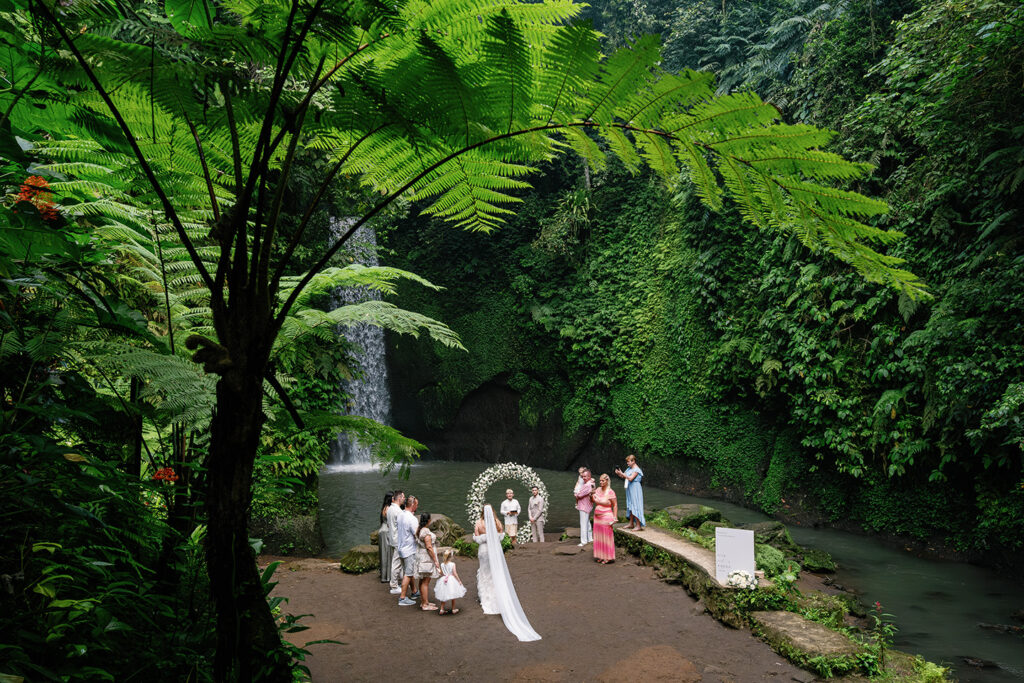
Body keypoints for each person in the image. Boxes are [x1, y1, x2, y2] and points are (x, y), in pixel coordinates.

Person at [473, 504, 541, 641]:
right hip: (495, 552)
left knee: (485, 574)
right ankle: (498, 597)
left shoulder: (479, 523)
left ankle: (485, 598)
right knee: (495, 574)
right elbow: (501, 536)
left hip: (484, 551)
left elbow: (476, 538)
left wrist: (483, 538)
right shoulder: (497, 522)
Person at [396, 495, 420, 606]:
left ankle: (414, 591)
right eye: (417, 504)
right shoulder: (412, 518)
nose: (417, 506)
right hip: (409, 549)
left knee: (407, 572)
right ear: (413, 505)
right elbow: (417, 534)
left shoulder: (400, 514)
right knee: (408, 573)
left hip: (401, 547)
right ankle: (402, 597)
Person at [415, 512, 441, 611]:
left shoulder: (419, 529)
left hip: (422, 557)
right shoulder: (426, 532)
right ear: (429, 521)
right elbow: (429, 547)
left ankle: (424, 602)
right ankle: (425, 604)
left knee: (423, 580)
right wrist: (435, 561)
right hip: (426, 558)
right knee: (425, 581)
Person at [591, 473, 618, 564]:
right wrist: (591, 495)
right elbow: (592, 500)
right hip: (597, 517)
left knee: (606, 536)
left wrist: (614, 517)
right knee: (599, 536)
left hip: (606, 516)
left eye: (603, 480)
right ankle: (601, 556)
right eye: (600, 480)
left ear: (607, 481)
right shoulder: (597, 490)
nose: (601, 482)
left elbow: (615, 505)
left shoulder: (611, 492)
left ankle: (608, 557)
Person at [614, 454, 646, 530]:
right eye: (627, 462)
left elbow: (630, 478)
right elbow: (624, 476)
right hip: (630, 488)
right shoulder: (629, 468)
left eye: (628, 462)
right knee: (630, 505)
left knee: (636, 505)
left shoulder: (636, 470)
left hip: (635, 488)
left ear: (633, 461)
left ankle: (638, 525)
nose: (627, 463)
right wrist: (619, 473)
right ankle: (631, 523)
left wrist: (622, 474)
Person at [434, 548, 466, 615]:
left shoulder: (442, 564)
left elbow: (441, 573)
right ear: (451, 557)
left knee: (444, 594)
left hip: (444, 580)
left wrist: (438, 569)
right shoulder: (452, 564)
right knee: (453, 594)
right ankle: (453, 609)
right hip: (451, 580)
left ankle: (442, 609)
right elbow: (455, 573)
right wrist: (459, 581)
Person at [386, 490, 406, 594]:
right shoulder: (397, 511)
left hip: (393, 538)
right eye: (403, 497)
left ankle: (400, 582)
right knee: (397, 562)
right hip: (398, 539)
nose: (404, 499)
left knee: (398, 562)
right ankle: (394, 586)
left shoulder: (390, 509)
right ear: (399, 498)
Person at [574, 468, 595, 546]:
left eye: (585, 476)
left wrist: (576, 494)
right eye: (583, 476)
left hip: (583, 506)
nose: (583, 478)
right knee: (588, 523)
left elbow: (578, 495)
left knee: (583, 523)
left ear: (589, 476)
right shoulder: (592, 483)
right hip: (588, 506)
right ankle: (590, 538)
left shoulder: (587, 485)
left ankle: (584, 541)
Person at [378, 491, 394, 584]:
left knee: (384, 553)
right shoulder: (388, 508)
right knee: (387, 554)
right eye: (393, 498)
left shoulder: (385, 507)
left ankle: (385, 575)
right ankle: (386, 577)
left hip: (383, 530)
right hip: (385, 532)